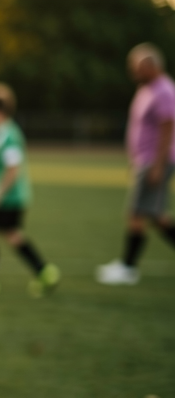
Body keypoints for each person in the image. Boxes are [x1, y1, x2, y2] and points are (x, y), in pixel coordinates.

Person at [0, 84, 60, 299]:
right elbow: (4, 163)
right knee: (12, 235)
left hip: (8, 197)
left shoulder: (6, 134)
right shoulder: (3, 133)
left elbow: (13, 168)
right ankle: (44, 271)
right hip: (12, 196)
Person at [97, 43, 175, 286]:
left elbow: (167, 128)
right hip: (146, 160)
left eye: (138, 67)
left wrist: (158, 166)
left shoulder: (163, 90)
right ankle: (127, 266)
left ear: (152, 66)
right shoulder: (147, 89)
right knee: (154, 215)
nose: (133, 71)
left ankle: (128, 268)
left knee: (137, 213)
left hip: (154, 161)